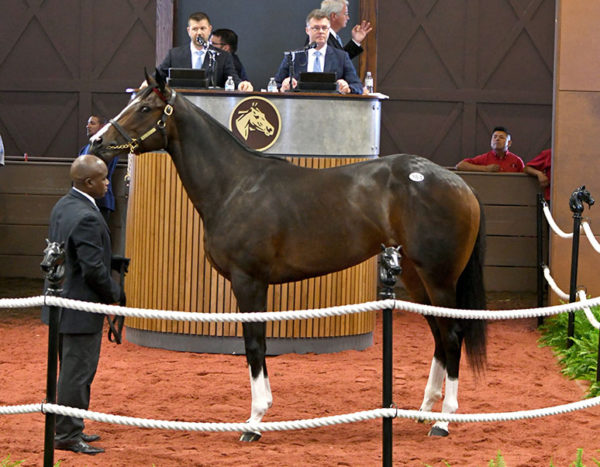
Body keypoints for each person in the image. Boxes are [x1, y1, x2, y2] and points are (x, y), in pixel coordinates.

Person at [41, 154, 121, 455]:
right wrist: (114, 293)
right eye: (103, 179)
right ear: (88, 182)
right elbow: (92, 270)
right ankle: (67, 434)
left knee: (69, 371)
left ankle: (70, 426)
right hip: (80, 308)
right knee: (77, 373)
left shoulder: (63, 205)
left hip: (61, 306)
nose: (107, 184)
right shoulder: (87, 215)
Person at [156, 11, 253, 91]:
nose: (199, 33)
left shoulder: (222, 56)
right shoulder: (174, 55)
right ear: (188, 31)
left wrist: (242, 84)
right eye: (195, 29)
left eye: (203, 28)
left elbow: (233, 78)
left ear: (209, 29)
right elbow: (158, 76)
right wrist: (148, 82)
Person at [274, 9, 364, 94]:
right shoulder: (294, 56)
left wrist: (347, 88)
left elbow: (358, 86)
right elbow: (274, 85)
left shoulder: (341, 57)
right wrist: (282, 87)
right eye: (316, 28)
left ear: (329, 30)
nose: (321, 32)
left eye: (324, 28)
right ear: (307, 30)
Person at [79, 115, 118, 223]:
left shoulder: (109, 147)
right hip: (85, 199)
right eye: (88, 123)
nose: (88, 126)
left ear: (102, 127)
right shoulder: (84, 150)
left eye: (92, 123)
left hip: (101, 199)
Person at [455, 126, 524, 173]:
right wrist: (485, 169)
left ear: (509, 143)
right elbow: (460, 166)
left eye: (501, 137)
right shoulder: (484, 158)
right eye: (495, 137)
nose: (497, 139)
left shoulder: (517, 161)